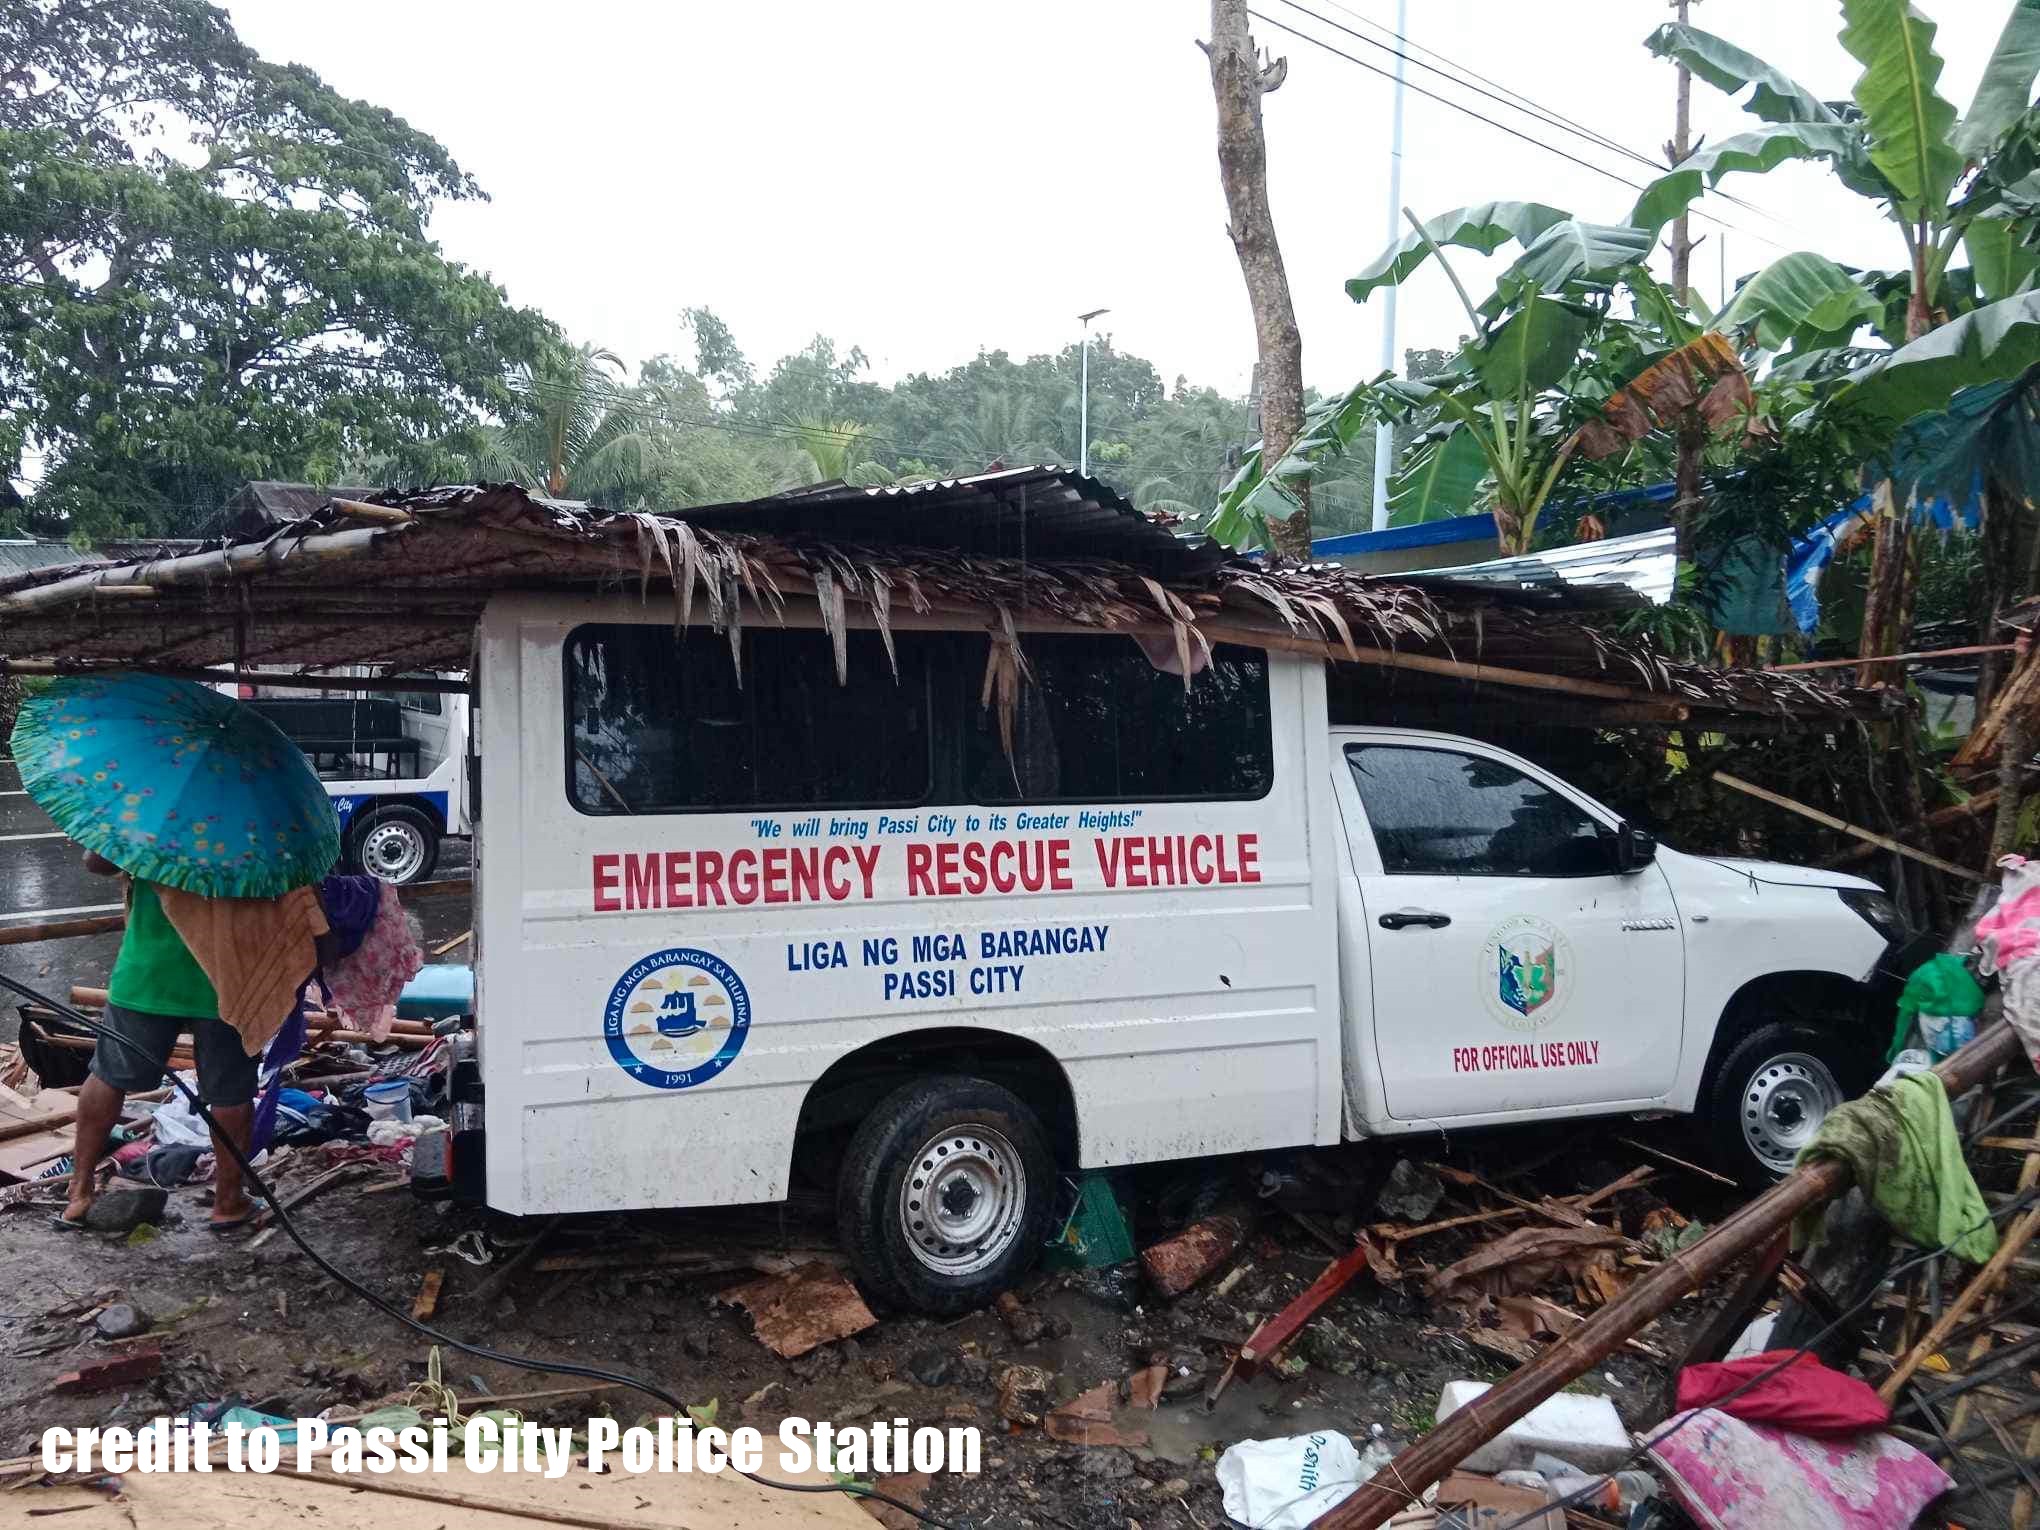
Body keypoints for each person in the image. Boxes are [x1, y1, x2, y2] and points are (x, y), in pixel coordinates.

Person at [56, 849, 262, 1233]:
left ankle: (80, 1192)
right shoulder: (252, 812)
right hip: (226, 976)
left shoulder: (156, 804)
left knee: (108, 1076)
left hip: (147, 973)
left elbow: (97, 861)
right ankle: (228, 1201)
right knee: (231, 1092)